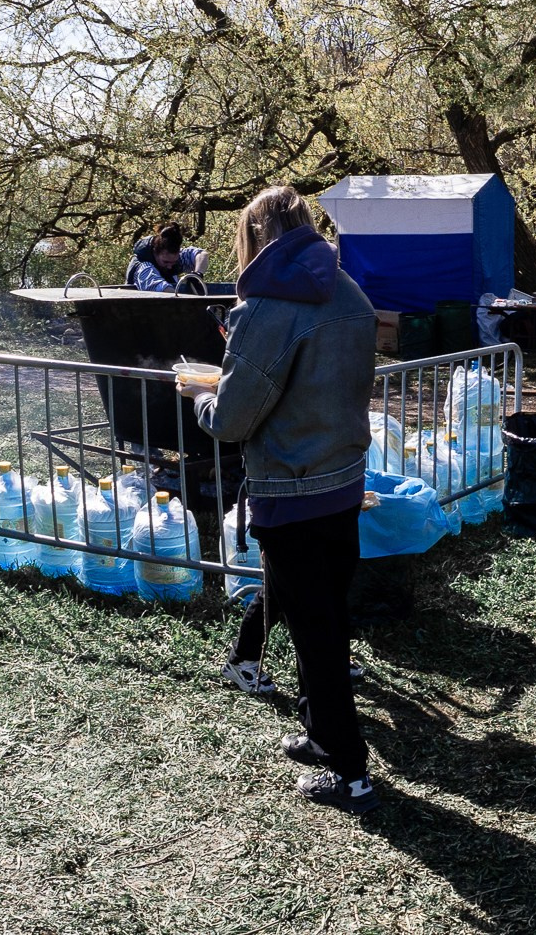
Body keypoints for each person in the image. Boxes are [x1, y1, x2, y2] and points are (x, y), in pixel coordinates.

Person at [190, 186, 380, 814]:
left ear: (256, 235)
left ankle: (349, 770)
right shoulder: (348, 291)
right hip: (342, 483)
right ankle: (324, 736)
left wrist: (202, 399)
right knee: (325, 621)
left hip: (292, 496)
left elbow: (234, 419)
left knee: (314, 636)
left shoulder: (270, 306)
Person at [128, 222, 203, 291]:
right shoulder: (144, 268)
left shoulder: (172, 259)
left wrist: (198, 274)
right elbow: (164, 290)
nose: (170, 267)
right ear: (155, 252)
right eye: (165, 262)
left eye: (173, 262)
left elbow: (201, 254)